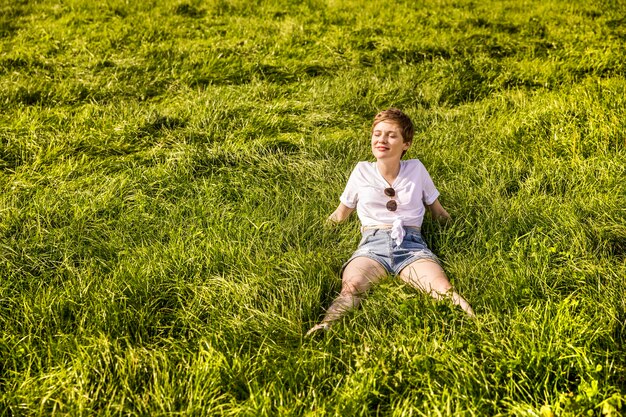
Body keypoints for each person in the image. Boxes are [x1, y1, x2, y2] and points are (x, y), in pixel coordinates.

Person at [306, 108, 474, 336]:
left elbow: (438, 213)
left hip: (412, 247)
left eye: (391, 135)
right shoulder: (361, 171)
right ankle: (325, 327)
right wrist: (312, 235)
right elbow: (340, 215)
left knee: (442, 288)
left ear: (406, 144)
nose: (381, 139)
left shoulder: (416, 169)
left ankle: (475, 323)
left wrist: (467, 232)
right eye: (377, 133)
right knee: (352, 288)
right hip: (371, 246)